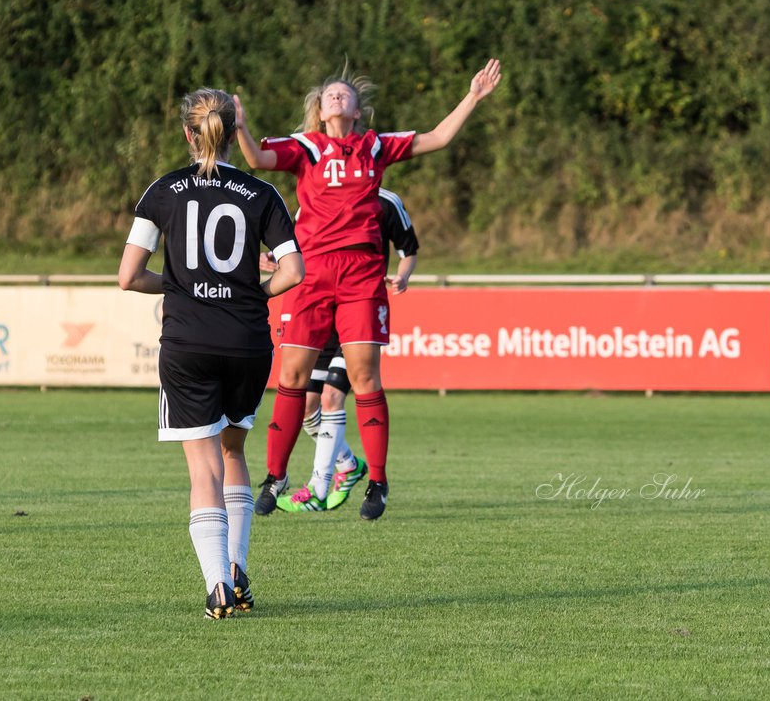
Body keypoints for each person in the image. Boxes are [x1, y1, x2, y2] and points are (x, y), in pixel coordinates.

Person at [235, 59, 501, 521]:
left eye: (345, 93)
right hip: (313, 272)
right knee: (292, 378)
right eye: (329, 94)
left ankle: (376, 480)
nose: (337, 96)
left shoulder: (374, 146)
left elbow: (437, 138)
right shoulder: (306, 148)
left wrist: (473, 96)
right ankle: (276, 475)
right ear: (320, 111)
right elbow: (257, 160)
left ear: (357, 111)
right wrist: (240, 125)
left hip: (361, 273)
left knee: (364, 379)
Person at [119, 87, 303, 619]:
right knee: (233, 453)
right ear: (229, 129)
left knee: (203, 470)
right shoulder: (262, 192)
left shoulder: (162, 190)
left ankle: (218, 586)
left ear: (187, 132)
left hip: (188, 343)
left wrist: (176, 285)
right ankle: (239, 569)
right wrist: (253, 292)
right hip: (247, 343)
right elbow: (293, 271)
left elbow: (128, 276)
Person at [259, 187, 420, 512]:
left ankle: (319, 486)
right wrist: (275, 260)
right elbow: (298, 250)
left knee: (333, 397)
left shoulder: (386, 202)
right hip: (319, 314)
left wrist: (402, 277)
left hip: (355, 314)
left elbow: (409, 249)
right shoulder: (312, 200)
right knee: (306, 408)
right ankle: (348, 465)